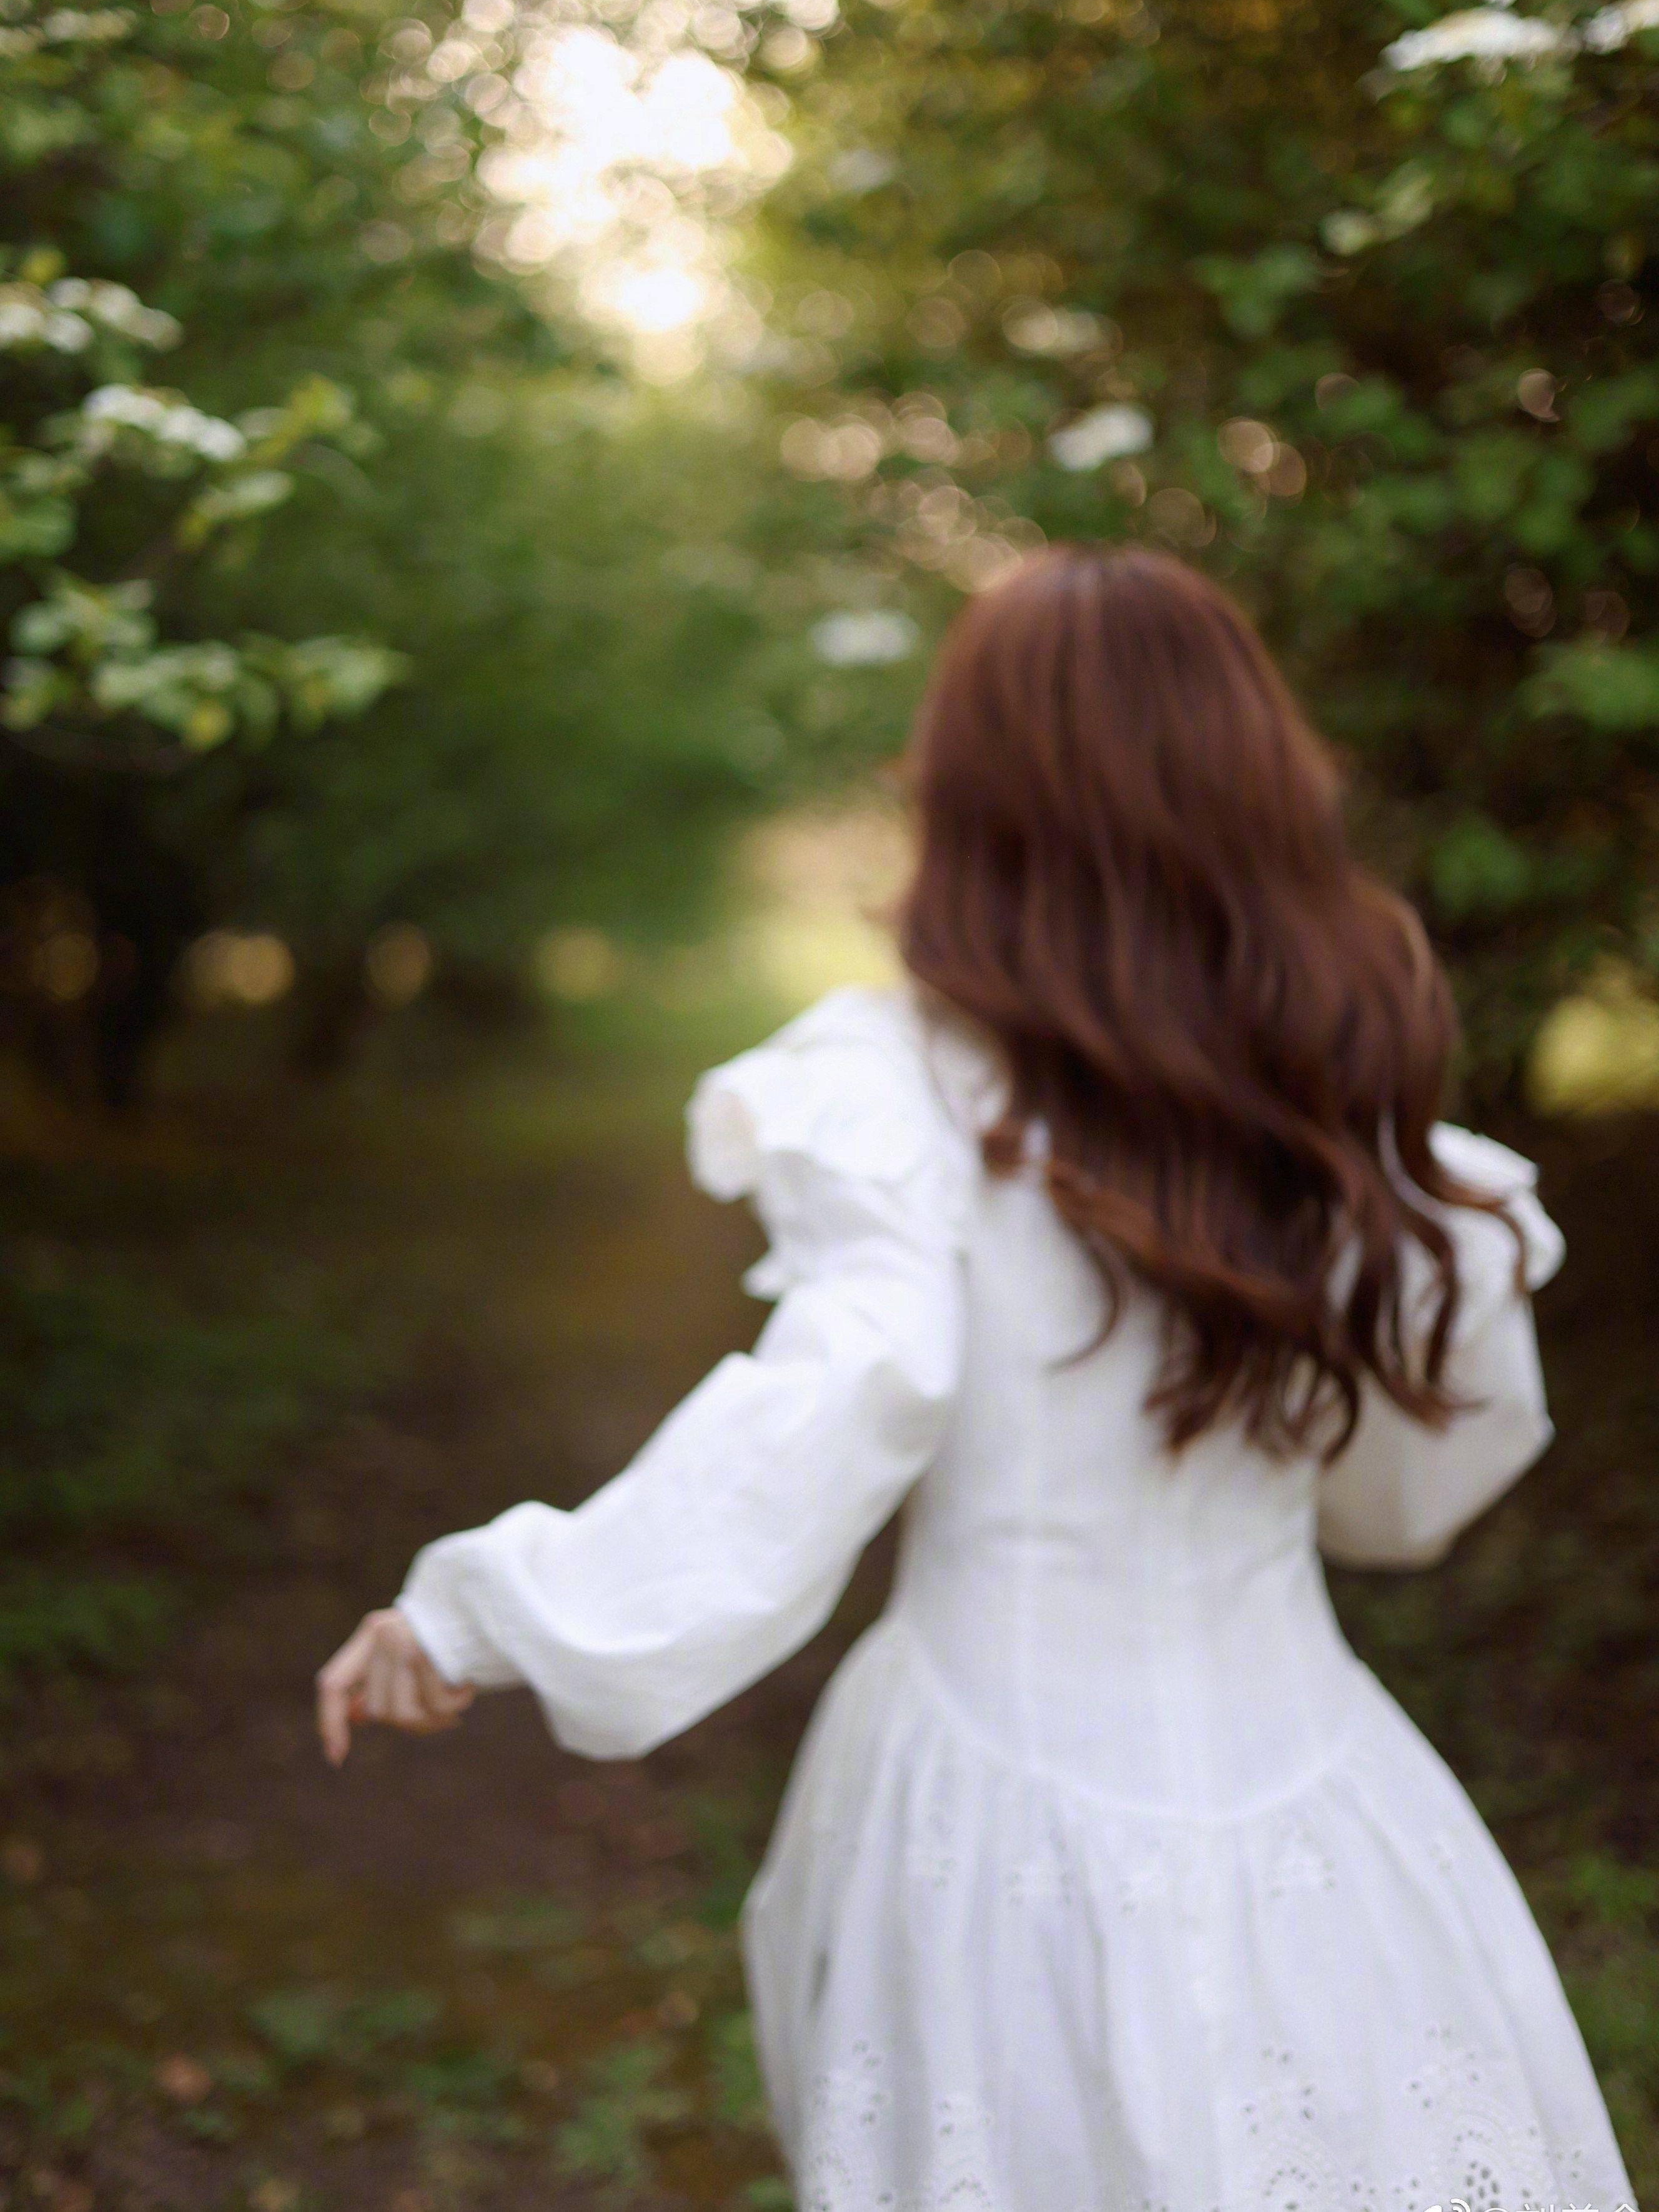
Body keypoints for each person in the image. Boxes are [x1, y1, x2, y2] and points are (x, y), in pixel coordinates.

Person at [317, 546, 1635, 2210]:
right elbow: (1408, 1497)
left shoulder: (898, 1093)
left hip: (991, 1821)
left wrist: (485, 1611)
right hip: (1321, 1808)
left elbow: (816, 1426)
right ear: (1258, 783)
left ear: (975, 794)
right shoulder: (1342, 1109)